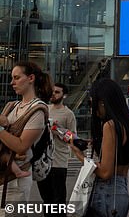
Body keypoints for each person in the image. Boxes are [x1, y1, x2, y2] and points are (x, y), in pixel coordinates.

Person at [70, 78, 129, 217]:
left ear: (102, 102)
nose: (92, 108)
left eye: (92, 103)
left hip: (106, 192)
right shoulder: (128, 124)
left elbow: (105, 172)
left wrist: (79, 155)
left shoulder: (110, 126)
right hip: (121, 191)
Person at [0, 62, 52, 215]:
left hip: (14, 184)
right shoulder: (12, 106)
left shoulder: (38, 110)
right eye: (12, 78)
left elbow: (21, 146)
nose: (12, 83)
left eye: (16, 78)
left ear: (31, 78)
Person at [37, 82, 77, 216]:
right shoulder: (44, 109)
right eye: (52, 91)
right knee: (46, 199)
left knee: (58, 200)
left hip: (59, 161)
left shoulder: (68, 114)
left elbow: (73, 137)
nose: (53, 94)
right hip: (43, 161)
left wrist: (58, 130)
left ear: (64, 95)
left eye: (57, 92)